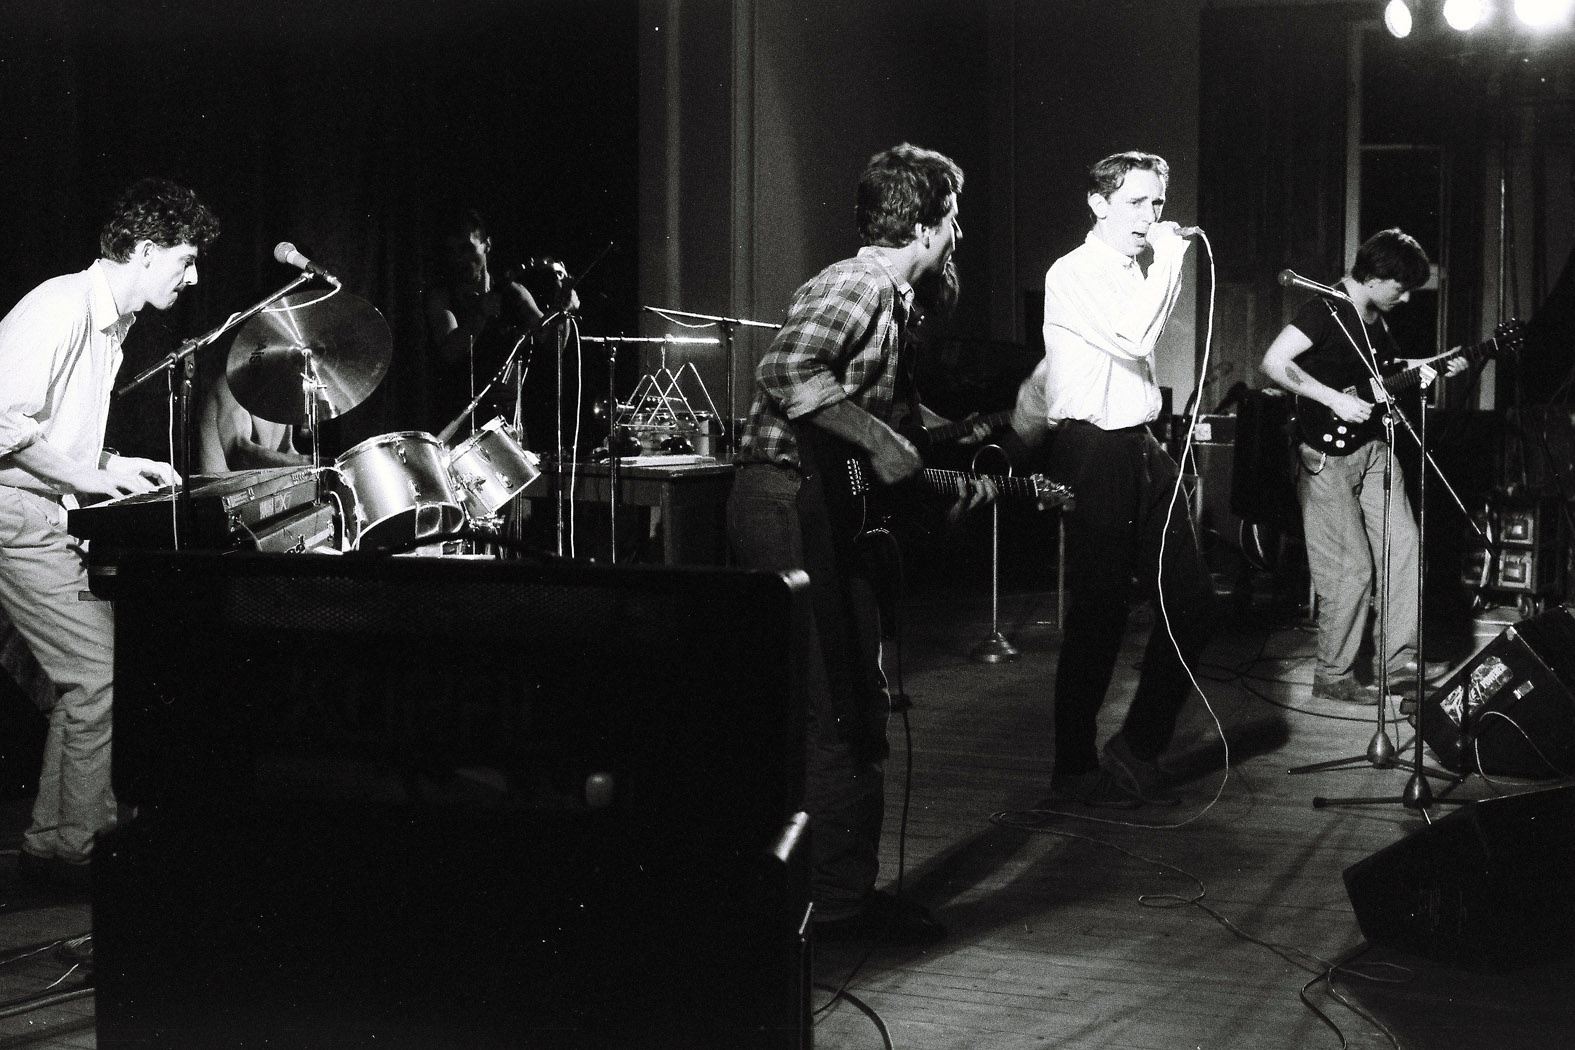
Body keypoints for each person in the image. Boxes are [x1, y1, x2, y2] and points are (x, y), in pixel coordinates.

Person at [728, 144, 993, 944]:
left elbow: (882, 414)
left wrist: (973, 430)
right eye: (953, 218)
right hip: (786, 505)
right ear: (924, 224)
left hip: (812, 507)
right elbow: (787, 370)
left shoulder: (895, 301)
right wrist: (881, 442)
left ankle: (839, 892)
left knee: (850, 701)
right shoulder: (859, 284)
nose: (959, 235)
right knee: (837, 705)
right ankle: (834, 909)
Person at [0, 176, 219, 887]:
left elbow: (45, 432)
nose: (193, 278)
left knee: (82, 685)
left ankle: (58, 843)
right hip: (12, 514)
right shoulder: (60, 306)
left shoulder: (111, 325)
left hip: (35, 509)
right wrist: (86, 479)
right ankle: (70, 849)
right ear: (146, 251)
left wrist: (114, 464)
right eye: (185, 261)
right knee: (98, 677)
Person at [1009, 150, 1217, 809]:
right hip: (1092, 448)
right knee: (1098, 613)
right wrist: (1172, 259)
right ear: (1098, 204)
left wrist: (1163, 265)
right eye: (1134, 202)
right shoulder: (1072, 272)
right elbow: (1133, 338)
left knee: (1192, 601)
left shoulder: (1137, 271)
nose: (1150, 216)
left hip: (1140, 442)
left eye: (1156, 203)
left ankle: (1136, 747)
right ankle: (1072, 768)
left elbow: (1142, 330)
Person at [1260, 228, 1459, 707]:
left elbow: (1380, 372)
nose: (1406, 298)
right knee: (1350, 569)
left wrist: (1436, 364)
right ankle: (1333, 674)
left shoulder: (1374, 319)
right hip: (1327, 456)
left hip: (1375, 449)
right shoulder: (1324, 309)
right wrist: (1332, 399)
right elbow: (1273, 362)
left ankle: (1399, 663)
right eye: (1401, 288)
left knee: (1404, 548)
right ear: (1374, 277)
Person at [422, 209, 569, 446]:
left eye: (467, 248)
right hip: (457, 430)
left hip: (508, 430)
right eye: (453, 251)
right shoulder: (442, 297)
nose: (460, 258)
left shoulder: (514, 293)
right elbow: (450, 351)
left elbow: (554, 343)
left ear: (487, 245)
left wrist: (562, 311)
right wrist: (481, 313)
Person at [195, 371, 309, 472]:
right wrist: (306, 462)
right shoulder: (232, 385)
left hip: (265, 488)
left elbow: (286, 451)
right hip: (226, 489)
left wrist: (313, 468)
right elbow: (240, 455)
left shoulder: (281, 392)